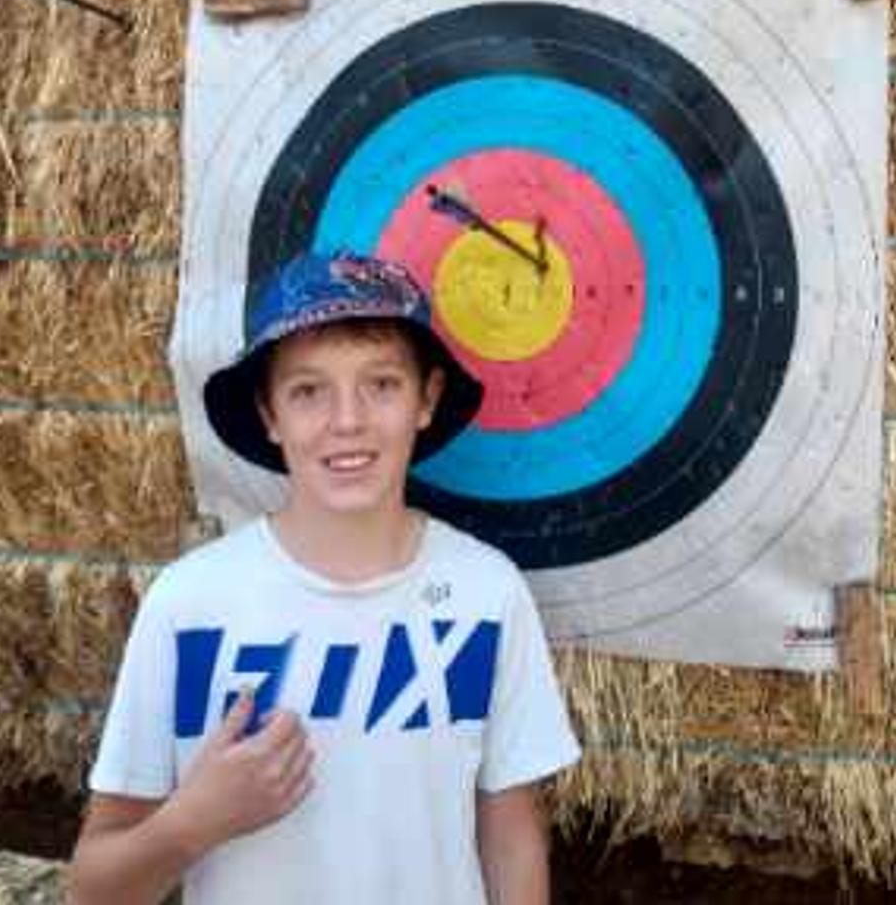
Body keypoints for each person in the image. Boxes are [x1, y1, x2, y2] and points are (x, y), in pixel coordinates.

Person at [68, 250, 581, 905]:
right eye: (308, 391)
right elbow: (93, 891)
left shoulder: (487, 594)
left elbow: (512, 838)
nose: (347, 420)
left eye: (382, 384)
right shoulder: (189, 604)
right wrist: (194, 821)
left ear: (427, 398)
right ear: (269, 413)